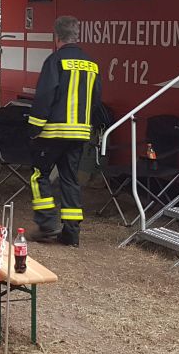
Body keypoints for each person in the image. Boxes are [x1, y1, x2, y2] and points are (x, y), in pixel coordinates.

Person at [27, 16, 101, 247]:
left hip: (53, 133)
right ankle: (71, 233)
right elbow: (96, 101)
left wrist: (34, 127)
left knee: (39, 174)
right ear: (77, 36)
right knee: (70, 179)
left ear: (56, 37)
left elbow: (45, 95)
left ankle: (47, 224)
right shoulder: (91, 64)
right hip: (79, 134)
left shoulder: (55, 61)